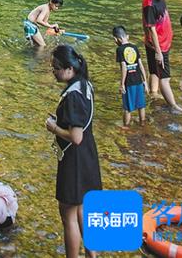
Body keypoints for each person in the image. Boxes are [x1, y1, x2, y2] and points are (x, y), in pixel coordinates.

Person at [45, 45, 102, 258]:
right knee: (83, 210)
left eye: (56, 68)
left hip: (75, 160)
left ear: (69, 68)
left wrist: (54, 128)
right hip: (88, 156)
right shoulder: (85, 86)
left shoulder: (73, 95)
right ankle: (92, 254)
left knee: (68, 213)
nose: (54, 72)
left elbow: (75, 137)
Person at [142, 0, 182, 112]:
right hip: (159, 45)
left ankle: (153, 94)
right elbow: (151, 29)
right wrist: (158, 51)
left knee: (154, 71)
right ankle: (174, 106)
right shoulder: (150, 4)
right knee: (165, 78)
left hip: (161, 42)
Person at [112, 25, 148, 126]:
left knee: (127, 107)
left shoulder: (120, 50)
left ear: (116, 39)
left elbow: (124, 67)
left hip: (129, 82)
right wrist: (145, 81)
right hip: (139, 80)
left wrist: (122, 84)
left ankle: (126, 126)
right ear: (127, 36)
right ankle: (142, 123)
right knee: (141, 105)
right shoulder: (134, 47)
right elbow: (140, 65)